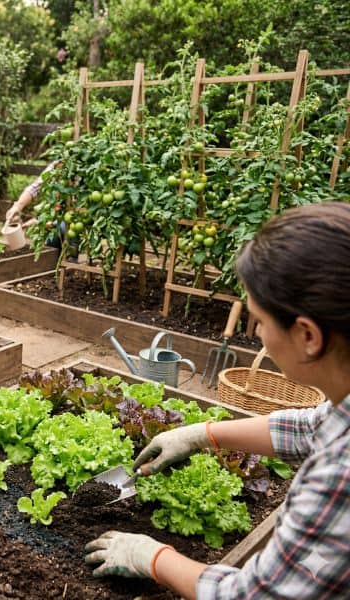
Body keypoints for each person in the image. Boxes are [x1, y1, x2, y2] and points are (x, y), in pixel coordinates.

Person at [83, 201, 350, 599]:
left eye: (259, 320)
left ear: (308, 336)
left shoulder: (339, 473)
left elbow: (251, 595)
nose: (256, 333)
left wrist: (151, 557)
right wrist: (201, 434)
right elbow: (312, 427)